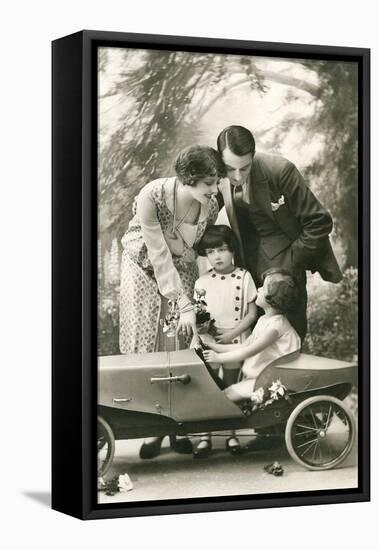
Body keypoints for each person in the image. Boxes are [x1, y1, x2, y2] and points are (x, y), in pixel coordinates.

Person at [119, 145, 221, 458]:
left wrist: (199, 301)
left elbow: (200, 250)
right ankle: (151, 430)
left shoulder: (211, 205)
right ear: (189, 178)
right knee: (150, 346)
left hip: (181, 270)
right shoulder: (152, 196)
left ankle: (177, 425)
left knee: (178, 346)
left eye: (216, 181)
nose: (215, 189)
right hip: (143, 269)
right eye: (208, 182)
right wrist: (184, 305)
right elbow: (158, 254)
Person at [216, 125, 342, 343]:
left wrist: (292, 263)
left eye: (245, 168)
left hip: (285, 266)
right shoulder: (217, 177)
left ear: (253, 157)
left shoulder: (280, 170)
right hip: (247, 266)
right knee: (255, 339)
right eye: (230, 169)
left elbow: (319, 221)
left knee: (288, 338)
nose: (237, 176)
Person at [191, 225, 258, 457]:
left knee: (231, 388)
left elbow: (251, 314)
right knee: (209, 388)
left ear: (232, 250)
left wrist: (230, 335)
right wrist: (205, 336)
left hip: (235, 341)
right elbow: (198, 316)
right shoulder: (202, 282)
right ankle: (204, 437)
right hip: (210, 342)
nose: (216, 256)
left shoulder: (244, 276)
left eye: (221, 249)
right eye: (210, 252)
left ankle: (231, 435)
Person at [203, 269, 301, 402]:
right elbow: (244, 346)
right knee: (225, 394)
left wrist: (218, 358)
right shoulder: (264, 320)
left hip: (272, 381)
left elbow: (248, 352)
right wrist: (213, 347)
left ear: (272, 299)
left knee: (225, 397)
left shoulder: (275, 328)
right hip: (262, 376)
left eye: (263, 288)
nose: (259, 289)